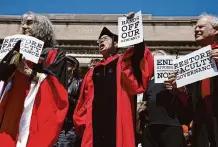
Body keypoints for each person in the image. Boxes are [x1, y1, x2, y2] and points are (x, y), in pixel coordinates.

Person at [73, 12, 154, 147]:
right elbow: (84, 100)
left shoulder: (123, 63)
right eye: (99, 40)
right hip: (95, 127)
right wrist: (81, 121)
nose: (101, 42)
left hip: (117, 124)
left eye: (105, 38)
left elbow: (139, 58)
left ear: (116, 44)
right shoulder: (92, 72)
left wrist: (134, 29)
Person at [0, 12, 68, 147]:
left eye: (29, 23)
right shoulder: (15, 50)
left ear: (42, 27)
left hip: (35, 106)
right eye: (23, 23)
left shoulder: (54, 54)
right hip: (12, 104)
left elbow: (57, 87)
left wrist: (28, 71)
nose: (24, 27)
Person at [165, 13, 218, 147]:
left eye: (201, 26)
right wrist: (178, 89)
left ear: (217, 30)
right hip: (201, 125)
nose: (196, 30)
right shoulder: (194, 62)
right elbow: (189, 100)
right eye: (195, 27)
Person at [141, 50, 190, 147]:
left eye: (158, 59)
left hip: (171, 127)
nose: (154, 61)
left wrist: (177, 89)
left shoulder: (176, 79)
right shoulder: (148, 82)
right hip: (151, 128)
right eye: (152, 59)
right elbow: (146, 102)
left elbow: (186, 98)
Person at [55, 56, 83, 147]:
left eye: (67, 65)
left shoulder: (80, 82)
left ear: (74, 67)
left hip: (69, 127)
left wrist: (66, 97)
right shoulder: (57, 81)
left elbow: (81, 104)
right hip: (55, 124)